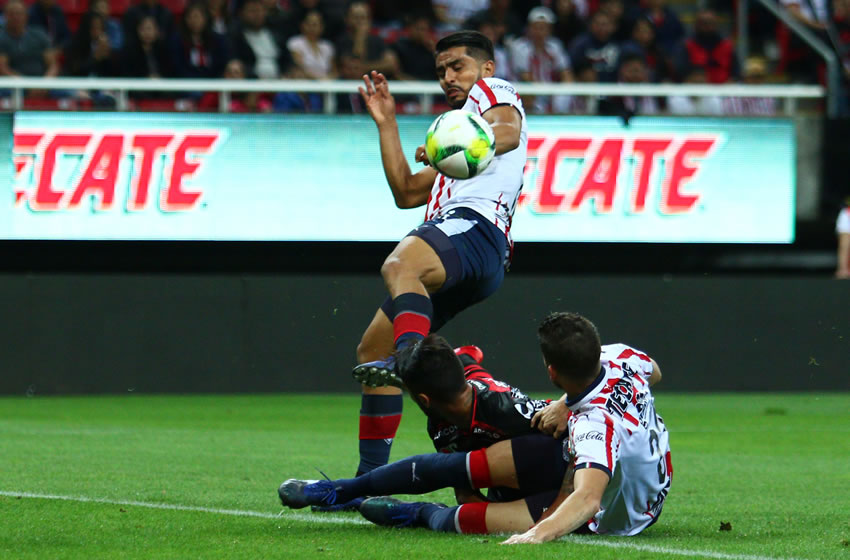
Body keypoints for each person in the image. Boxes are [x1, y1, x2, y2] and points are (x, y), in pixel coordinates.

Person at [281, 312, 672, 542]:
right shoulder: (621, 360)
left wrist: (537, 533)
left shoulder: (595, 414)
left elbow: (586, 498)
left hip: (610, 509)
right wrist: (570, 403)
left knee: (467, 519)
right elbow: (652, 372)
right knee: (470, 463)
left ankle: (417, 513)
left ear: (551, 370)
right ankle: (336, 491)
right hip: (629, 483)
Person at [349, 30, 527, 482]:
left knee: (399, 265)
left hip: (476, 228)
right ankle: (368, 479)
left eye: (457, 66)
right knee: (373, 350)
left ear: (485, 68)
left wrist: (463, 139)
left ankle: (415, 355)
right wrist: (387, 123)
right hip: (474, 251)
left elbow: (507, 130)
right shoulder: (457, 141)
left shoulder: (492, 94)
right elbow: (407, 192)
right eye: (441, 71)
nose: (448, 78)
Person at [299, 335, 551, 512]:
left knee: (482, 387)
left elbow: (576, 420)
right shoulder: (440, 427)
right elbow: (465, 494)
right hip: (468, 403)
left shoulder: (508, 411)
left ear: (423, 400)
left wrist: (562, 405)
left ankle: (457, 359)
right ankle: (461, 358)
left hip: (494, 408)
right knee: (473, 385)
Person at [509, 6, 574, 114]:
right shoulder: (520, 47)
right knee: (529, 96)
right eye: (536, 27)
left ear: (550, 30)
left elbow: (566, 73)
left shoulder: (555, 46)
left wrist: (562, 90)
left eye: (543, 28)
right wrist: (546, 94)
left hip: (551, 91)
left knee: (566, 94)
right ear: (529, 28)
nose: (539, 32)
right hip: (529, 91)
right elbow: (526, 77)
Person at [0, 0, 60, 79]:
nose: (16, 17)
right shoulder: (2, 38)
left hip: (44, 83)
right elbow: (2, 68)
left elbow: (53, 65)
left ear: (26, 15)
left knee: (78, 91)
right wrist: (24, 84)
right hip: (14, 84)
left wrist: (45, 83)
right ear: (5, 16)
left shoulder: (39, 34)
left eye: (19, 13)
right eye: (12, 14)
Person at [171, 2, 230, 80]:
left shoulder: (217, 39)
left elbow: (221, 64)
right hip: (187, 82)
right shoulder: (177, 40)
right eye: (190, 17)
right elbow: (177, 67)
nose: (194, 21)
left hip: (213, 81)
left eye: (197, 17)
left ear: (205, 18)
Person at [836, 199, 850, 279]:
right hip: (848, 214)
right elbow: (843, 245)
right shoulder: (846, 213)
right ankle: (843, 269)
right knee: (844, 244)